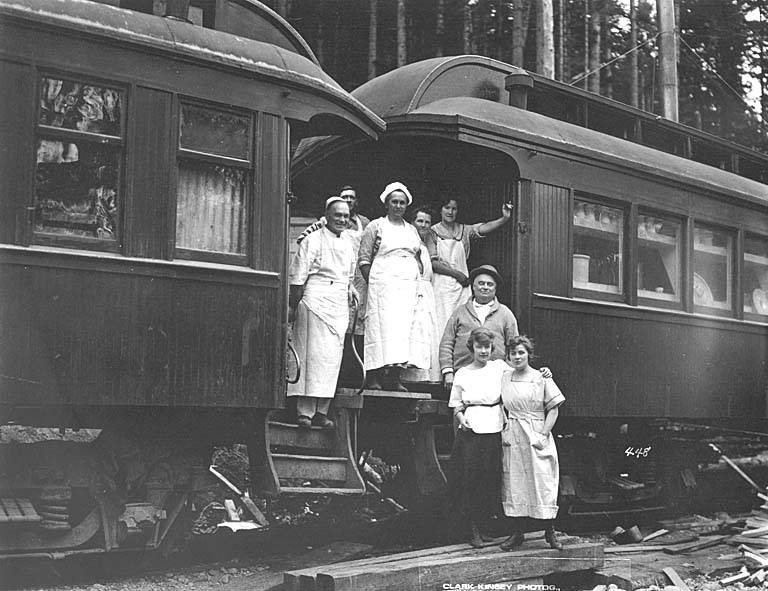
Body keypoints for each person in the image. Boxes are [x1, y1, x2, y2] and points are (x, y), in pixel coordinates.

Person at [288, 197, 357, 428]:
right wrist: (292, 306)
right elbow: (298, 277)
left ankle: (322, 411)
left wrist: (351, 288)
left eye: (346, 216)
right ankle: (304, 412)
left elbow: (348, 276)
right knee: (311, 357)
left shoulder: (348, 243)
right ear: (327, 216)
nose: (342, 220)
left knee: (330, 360)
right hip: (315, 301)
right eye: (337, 215)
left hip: (338, 306)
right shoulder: (313, 240)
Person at [499, 335, 565, 551]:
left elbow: (553, 408)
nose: (517, 356)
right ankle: (517, 534)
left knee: (543, 483)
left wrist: (543, 435)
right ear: (508, 356)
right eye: (513, 353)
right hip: (514, 435)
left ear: (528, 354)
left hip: (536, 433)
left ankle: (550, 532)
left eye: (521, 352)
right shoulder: (504, 377)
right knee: (515, 484)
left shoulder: (541, 377)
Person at [358, 182, 425, 391]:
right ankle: (373, 377)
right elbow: (364, 259)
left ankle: (395, 378)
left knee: (402, 331)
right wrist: (376, 283)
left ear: (407, 206)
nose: (398, 206)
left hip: (405, 286)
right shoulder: (375, 226)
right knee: (379, 329)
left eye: (402, 203)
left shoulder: (411, 229)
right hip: (382, 286)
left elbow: (417, 256)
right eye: (394, 202)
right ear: (386, 204)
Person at [448, 327, 507, 548]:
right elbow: (456, 403)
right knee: (470, 480)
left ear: (492, 348)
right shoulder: (463, 373)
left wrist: (544, 373)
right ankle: (471, 530)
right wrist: (461, 417)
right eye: (479, 346)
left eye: (487, 347)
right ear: (472, 347)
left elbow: (521, 374)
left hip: (494, 426)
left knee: (489, 479)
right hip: (471, 430)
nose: (484, 351)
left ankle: (484, 526)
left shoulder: (500, 367)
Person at [431, 198, 513, 336]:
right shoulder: (433, 231)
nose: (450, 212)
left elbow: (484, 228)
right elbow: (433, 262)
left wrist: (504, 218)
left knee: (464, 322)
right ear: (440, 210)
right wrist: (456, 274)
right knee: (442, 322)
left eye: (454, 208)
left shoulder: (464, 230)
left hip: (461, 286)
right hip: (442, 285)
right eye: (446, 208)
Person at [296, 185, 370, 336]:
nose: (348, 200)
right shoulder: (323, 223)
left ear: (356, 201)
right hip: (331, 269)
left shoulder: (364, 221)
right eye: (345, 197)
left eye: (352, 197)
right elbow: (302, 239)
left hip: (354, 272)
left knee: (356, 314)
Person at [439, 265, 518, 392]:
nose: (485, 287)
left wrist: (510, 373)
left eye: (490, 284)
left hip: (495, 378)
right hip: (463, 374)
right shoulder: (459, 312)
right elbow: (447, 343)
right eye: (481, 283)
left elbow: (514, 345)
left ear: (495, 288)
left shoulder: (505, 313)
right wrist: (448, 371)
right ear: (473, 287)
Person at [402, 206, 441, 384]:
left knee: (425, 332)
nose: (423, 225)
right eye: (420, 221)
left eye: (427, 222)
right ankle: (404, 377)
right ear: (412, 222)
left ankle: (420, 378)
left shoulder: (425, 246)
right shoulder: (407, 243)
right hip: (411, 291)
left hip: (426, 292)